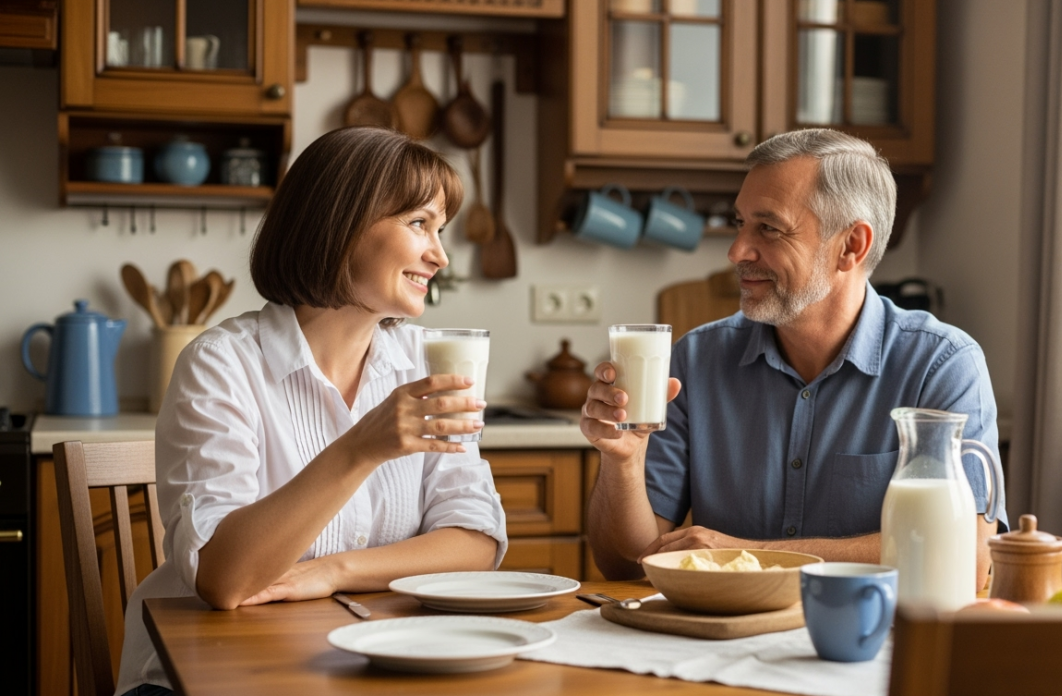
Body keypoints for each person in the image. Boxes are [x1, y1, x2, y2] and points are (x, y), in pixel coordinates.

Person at [115, 127, 507, 696]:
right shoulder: (220, 364)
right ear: (341, 224)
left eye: (440, 230)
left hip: (360, 665)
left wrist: (334, 571)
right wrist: (360, 447)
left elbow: (476, 541)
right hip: (205, 676)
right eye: (419, 223)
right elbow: (226, 581)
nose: (439, 255)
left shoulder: (423, 364)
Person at [583, 128, 1005, 582]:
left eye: (768, 227)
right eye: (740, 222)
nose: (736, 250)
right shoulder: (696, 360)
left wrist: (754, 554)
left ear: (851, 247)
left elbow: (969, 554)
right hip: (724, 644)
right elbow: (623, 565)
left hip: (867, 645)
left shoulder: (940, 365)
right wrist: (622, 461)